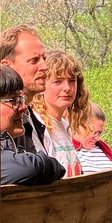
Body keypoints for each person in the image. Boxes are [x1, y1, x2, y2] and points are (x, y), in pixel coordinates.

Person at [0, 68, 64, 186]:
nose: (23, 107)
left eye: (21, 99)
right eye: (14, 100)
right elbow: (30, 168)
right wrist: (47, 164)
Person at [34, 49, 89, 177]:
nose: (67, 88)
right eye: (57, 81)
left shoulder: (65, 126)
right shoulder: (37, 125)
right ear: (42, 85)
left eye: (72, 80)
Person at [0, 25, 47, 151]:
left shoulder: (32, 119)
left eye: (44, 58)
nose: (44, 66)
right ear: (6, 66)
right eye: (34, 60)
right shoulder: (4, 125)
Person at [74, 103, 112, 174]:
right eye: (94, 132)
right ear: (78, 125)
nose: (98, 138)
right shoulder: (66, 150)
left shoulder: (105, 149)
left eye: (100, 133)